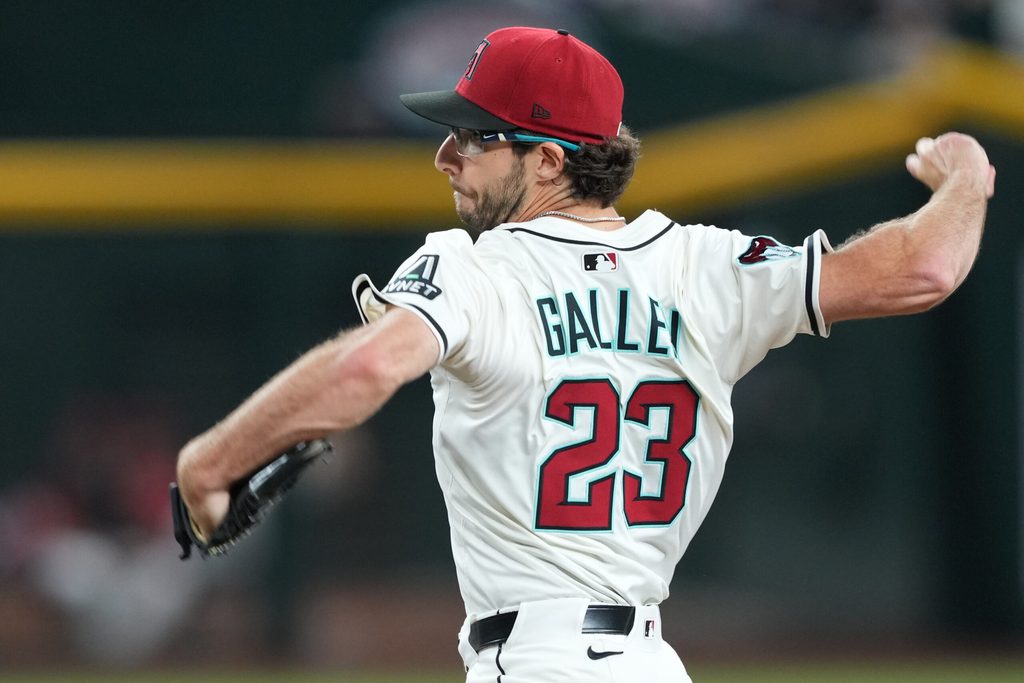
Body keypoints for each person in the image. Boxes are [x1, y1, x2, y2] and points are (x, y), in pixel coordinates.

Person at [175, 26, 995, 683]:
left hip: (533, 660)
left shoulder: (472, 266)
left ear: (548, 159)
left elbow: (362, 368)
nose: (444, 156)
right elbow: (926, 266)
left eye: (471, 136)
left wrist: (209, 463)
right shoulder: (710, 267)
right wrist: (967, 178)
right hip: (649, 662)